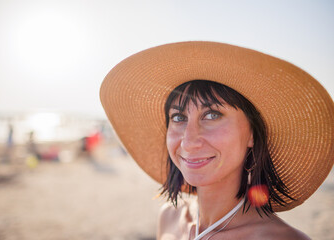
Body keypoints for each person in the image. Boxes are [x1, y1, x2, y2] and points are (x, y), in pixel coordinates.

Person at [100, 42, 334, 239]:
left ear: (252, 133)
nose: (189, 141)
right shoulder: (169, 218)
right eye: (179, 117)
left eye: (212, 115)